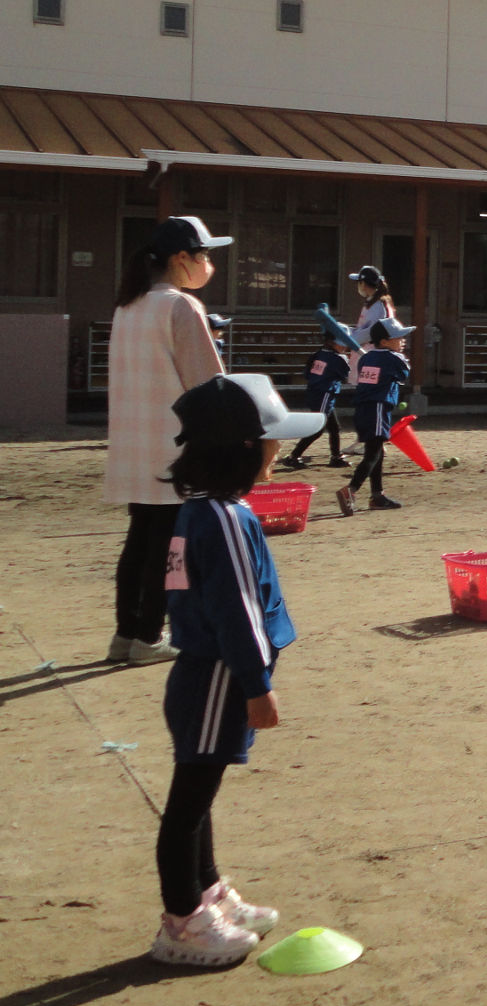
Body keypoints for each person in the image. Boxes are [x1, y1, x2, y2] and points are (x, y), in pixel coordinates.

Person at [150, 371, 319, 966]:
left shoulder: (206, 511)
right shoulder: (222, 518)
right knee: (189, 803)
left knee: (201, 792)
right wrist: (256, 684)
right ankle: (183, 922)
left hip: (208, 673)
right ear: (243, 448)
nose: (278, 449)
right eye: (272, 440)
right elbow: (238, 609)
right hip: (217, 676)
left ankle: (209, 893)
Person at [103, 216, 230, 666]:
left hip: (134, 443)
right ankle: (149, 636)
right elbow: (209, 385)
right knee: (166, 548)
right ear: (181, 258)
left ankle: (126, 634)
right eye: (204, 254)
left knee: (139, 540)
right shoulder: (181, 306)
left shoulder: (128, 305)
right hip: (175, 446)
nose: (208, 263)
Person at [336, 318, 410, 516]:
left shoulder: (366, 358)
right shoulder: (394, 358)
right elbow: (404, 375)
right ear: (384, 341)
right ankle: (351, 489)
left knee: (377, 452)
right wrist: (399, 358)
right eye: (398, 337)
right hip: (377, 408)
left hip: (363, 409)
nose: (402, 340)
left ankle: (377, 496)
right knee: (373, 454)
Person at [340, 266, 396, 457]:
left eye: (359, 282)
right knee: (366, 402)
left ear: (364, 283)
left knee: (367, 402)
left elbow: (370, 332)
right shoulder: (373, 303)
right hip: (366, 354)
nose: (358, 286)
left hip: (370, 356)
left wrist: (349, 337)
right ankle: (366, 440)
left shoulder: (378, 305)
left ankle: (372, 442)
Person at [280, 336, 352, 470]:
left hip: (316, 392)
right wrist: (347, 361)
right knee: (318, 428)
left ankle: (336, 457)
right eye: (340, 344)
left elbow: (307, 374)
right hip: (324, 394)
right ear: (330, 343)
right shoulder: (336, 358)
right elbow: (345, 376)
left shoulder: (318, 354)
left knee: (334, 427)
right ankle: (293, 456)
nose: (344, 347)